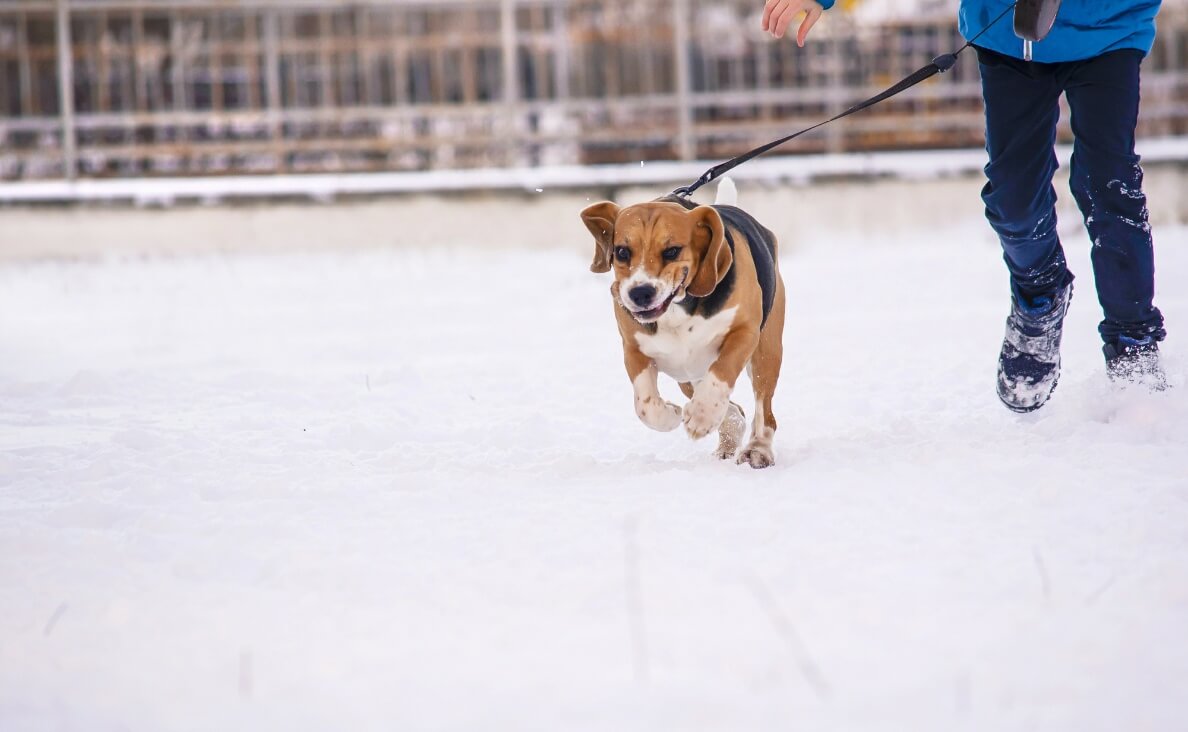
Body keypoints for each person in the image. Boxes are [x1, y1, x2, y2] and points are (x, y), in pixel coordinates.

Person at [761, 0, 1168, 412]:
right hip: (1009, 33)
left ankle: (1133, 342)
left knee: (1109, 187)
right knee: (1014, 202)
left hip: (1110, 29)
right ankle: (1039, 296)